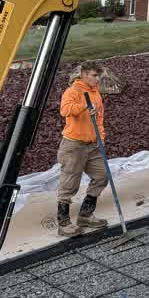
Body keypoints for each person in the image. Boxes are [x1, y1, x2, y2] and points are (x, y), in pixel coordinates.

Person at [55, 62, 109, 237]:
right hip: (74, 145)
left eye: (98, 75)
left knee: (102, 176)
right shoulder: (73, 92)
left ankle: (85, 215)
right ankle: (63, 224)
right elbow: (65, 110)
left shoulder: (96, 93)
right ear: (84, 74)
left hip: (93, 145)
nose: (97, 78)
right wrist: (84, 107)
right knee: (69, 184)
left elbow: (99, 119)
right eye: (94, 75)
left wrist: (101, 138)